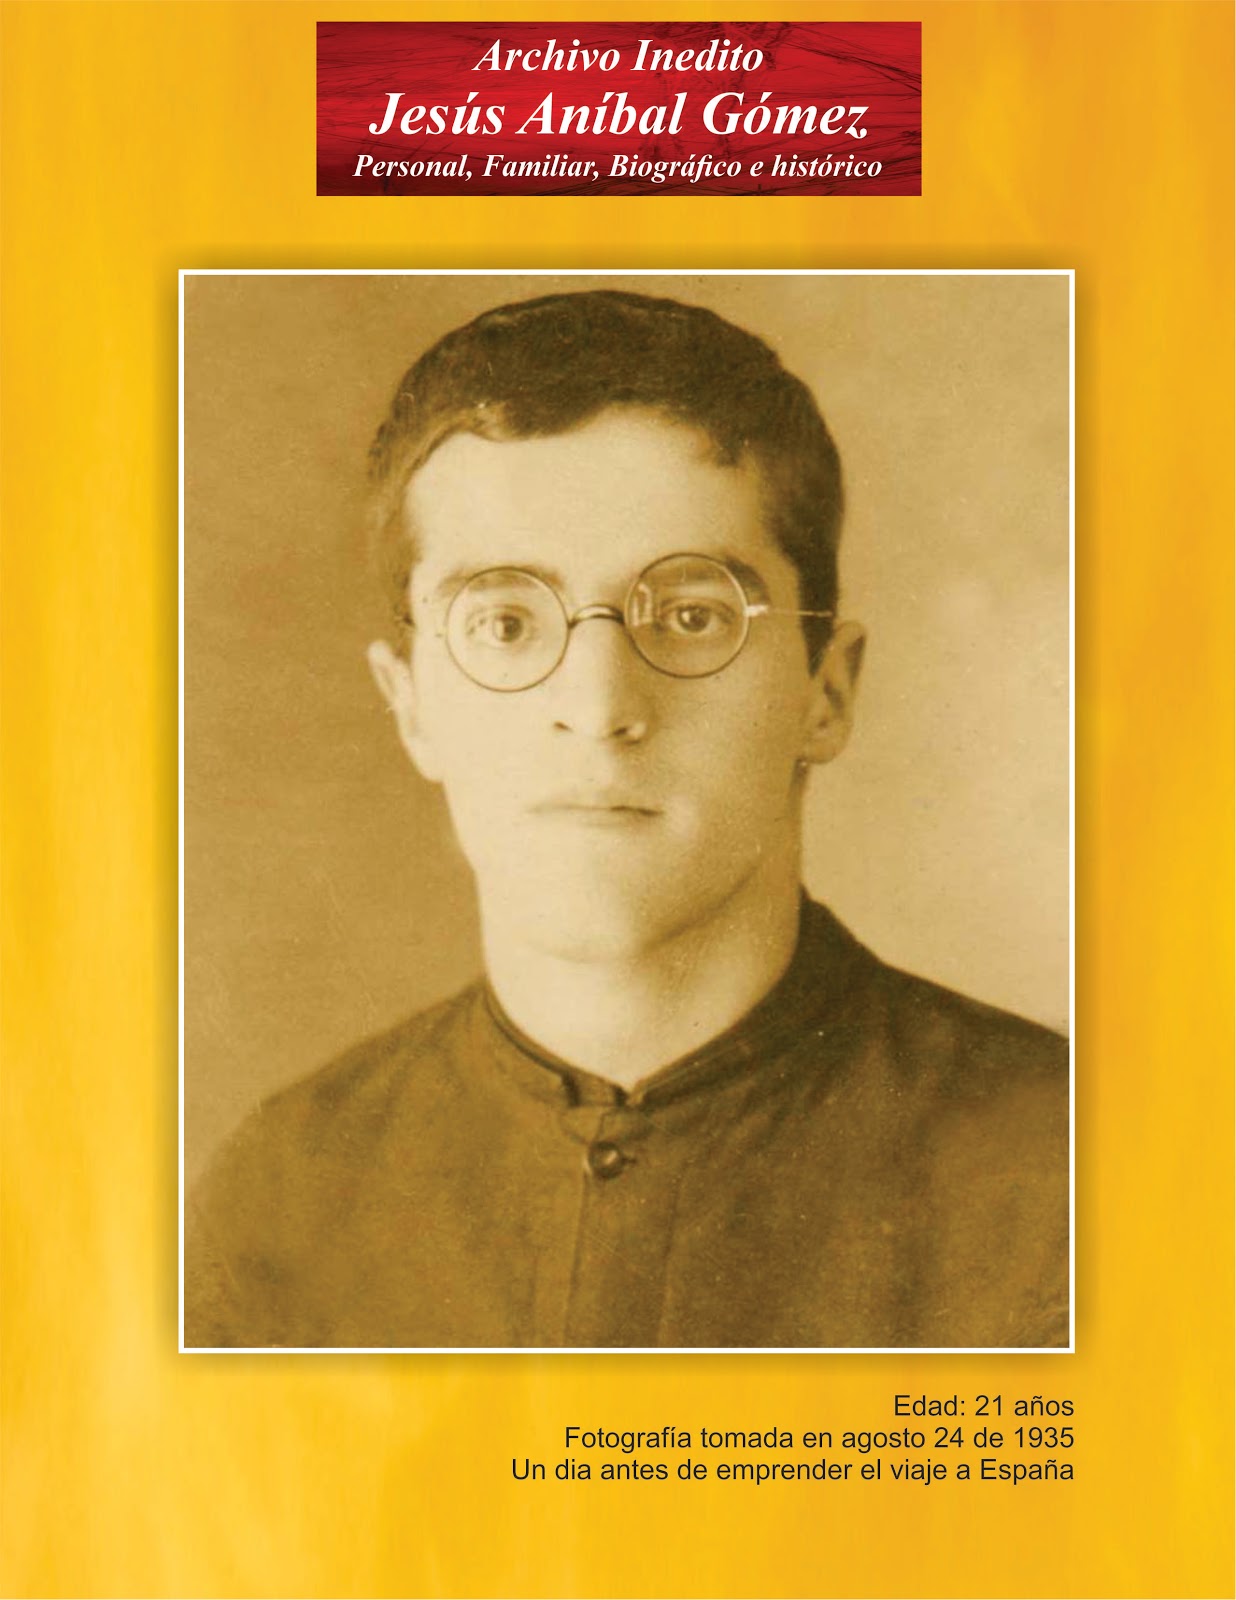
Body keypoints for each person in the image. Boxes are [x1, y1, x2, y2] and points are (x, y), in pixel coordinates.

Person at [185, 290, 1069, 1350]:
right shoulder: (278, 1199)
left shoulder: (1081, 1179)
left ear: (825, 692)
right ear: (410, 704)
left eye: (693, 615)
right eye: (505, 622)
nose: (600, 705)